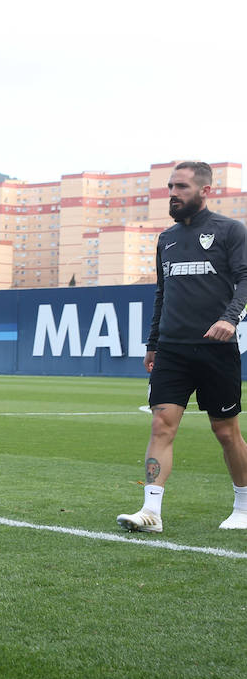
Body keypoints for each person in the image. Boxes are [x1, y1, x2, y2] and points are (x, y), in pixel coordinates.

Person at [118, 160, 247, 533]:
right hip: (172, 350)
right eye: (170, 187)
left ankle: (243, 504)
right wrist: (153, 343)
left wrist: (230, 318)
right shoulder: (167, 239)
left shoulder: (229, 231)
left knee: (225, 431)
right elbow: (163, 293)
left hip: (215, 349)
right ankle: (151, 512)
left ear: (205, 190)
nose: (173, 194)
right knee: (162, 424)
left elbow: (244, 279)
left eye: (182, 188)